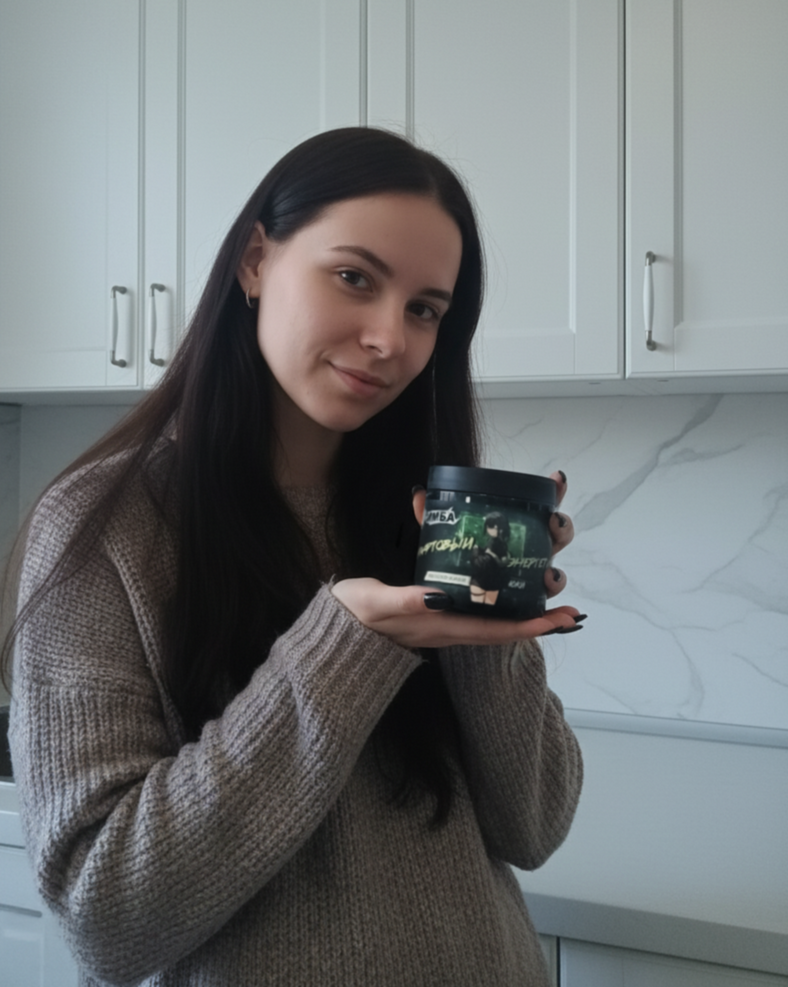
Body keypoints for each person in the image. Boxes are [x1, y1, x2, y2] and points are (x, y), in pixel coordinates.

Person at [3, 127, 584, 987]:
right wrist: (344, 644)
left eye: (425, 309)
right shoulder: (104, 527)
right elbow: (106, 917)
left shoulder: (431, 522)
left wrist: (482, 627)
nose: (390, 338)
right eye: (355, 278)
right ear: (255, 261)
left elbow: (534, 828)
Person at [469, 511, 511, 605]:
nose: (495, 528)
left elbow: (503, 562)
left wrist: (491, 555)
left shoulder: (500, 545)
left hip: (489, 581)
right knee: (481, 607)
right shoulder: (484, 542)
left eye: (499, 526)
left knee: (482, 607)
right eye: (491, 525)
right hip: (485, 581)